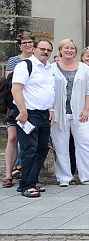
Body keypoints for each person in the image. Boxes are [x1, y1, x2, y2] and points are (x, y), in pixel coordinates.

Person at [51, 40, 89, 187]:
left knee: (87, 142)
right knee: (61, 145)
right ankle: (64, 177)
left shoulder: (84, 68)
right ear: (60, 50)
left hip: (81, 113)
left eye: (72, 48)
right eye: (66, 48)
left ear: (76, 52)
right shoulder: (52, 68)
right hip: (59, 114)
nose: (69, 50)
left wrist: (87, 109)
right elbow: (48, 91)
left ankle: (88, 176)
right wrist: (51, 110)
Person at [10, 39, 55, 197]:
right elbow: (16, 89)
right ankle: (26, 185)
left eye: (49, 50)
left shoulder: (48, 68)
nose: (46, 52)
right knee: (29, 149)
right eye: (42, 49)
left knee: (42, 148)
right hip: (28, 112)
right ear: (34, 49)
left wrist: (51, 109)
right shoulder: (25, 65)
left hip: (43, 113)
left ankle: (32, 181)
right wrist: (22, 112)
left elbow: (48, 90)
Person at [3, 31, 34, 188]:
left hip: (34, 106)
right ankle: (8, 173)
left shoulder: (38, 60)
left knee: (30, 140)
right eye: (24, 42)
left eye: (30, 42)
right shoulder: (13, 61)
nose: (28, 45)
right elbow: (10, 83)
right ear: (20, 45)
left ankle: (24, 170)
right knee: (13, 138)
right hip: (15, 105)